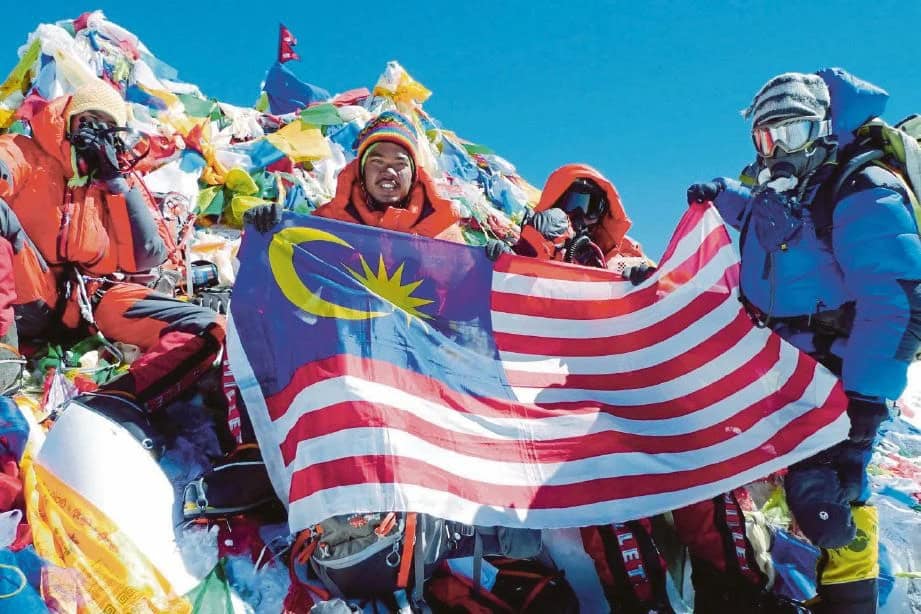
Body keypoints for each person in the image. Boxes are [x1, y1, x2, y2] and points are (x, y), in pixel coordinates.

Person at [499, 165, 794, 613]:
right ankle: (641, 601)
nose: (582, 216)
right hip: (576, 409)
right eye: (570, 203)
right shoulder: (528, 258)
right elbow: (506, 313)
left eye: (594, 206)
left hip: (646, 401)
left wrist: (654, 285)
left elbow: (679, 319)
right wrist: (533, 249)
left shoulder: (628, 262)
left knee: (705, 468)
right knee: (605, 492)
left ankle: (738, 592)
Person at [687, 68, 921, 613]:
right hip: (789, 369)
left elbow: (899, 305)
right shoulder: (794, 194)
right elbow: (774, 230)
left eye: (788, 135)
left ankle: (852, 600)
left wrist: (861, 411)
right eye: (764, 138)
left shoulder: (864, 190)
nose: (775, 153)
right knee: (805, 487)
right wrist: (723, 195)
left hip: (842, 372)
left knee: (833, 492)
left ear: (821, 130)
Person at [0, 78, 225, 412]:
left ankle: (114, 402)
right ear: (68, 121)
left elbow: (147, 256)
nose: (96, 132)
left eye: (107, 126)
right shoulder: (27, 152)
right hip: (28, 291)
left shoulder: (117, 182)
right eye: (88, 121)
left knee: (209, 328)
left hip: (92, 300)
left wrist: (118, 183)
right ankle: (4, 357)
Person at [247, 110, 464, 243]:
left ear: (415, 174)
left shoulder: (442, 230)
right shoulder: (327, 223)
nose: (388, 171)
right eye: (377, 162)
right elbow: (290, 270)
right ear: (360, 171)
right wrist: (269, 228)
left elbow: (465, 290)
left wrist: (493, 266)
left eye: (399, 163)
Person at [487, 163, 650, 274]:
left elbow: (659, 288)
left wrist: (637, 281)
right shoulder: (540, 236)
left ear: (601, 214)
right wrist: (510, 260)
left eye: (590, 207)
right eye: (572, 202)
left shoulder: (623, 253)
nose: (578, 213)